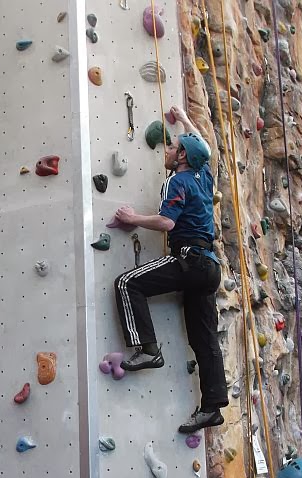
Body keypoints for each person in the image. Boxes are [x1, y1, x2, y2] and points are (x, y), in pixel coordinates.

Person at [112, 105, 228, 434]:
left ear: (182, 158)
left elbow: (166, 222)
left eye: (173, 147)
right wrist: (187, 121)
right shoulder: (204, 176)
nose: (168, 149)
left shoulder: (176, 182)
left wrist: (131, 219)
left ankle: (148, 349)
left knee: (126, 284)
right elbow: (207, 148)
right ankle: (212, 407)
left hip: (189, 261)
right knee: (204, 340)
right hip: (209, 269)